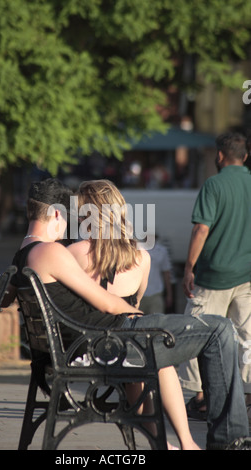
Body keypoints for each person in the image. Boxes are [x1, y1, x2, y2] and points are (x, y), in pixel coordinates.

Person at [0, 177, 250, 450]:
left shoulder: (37, 253)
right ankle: (224, 440)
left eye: (79, 215)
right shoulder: (53, 252)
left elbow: (20, 276)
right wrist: (138, 316)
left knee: (209, 332)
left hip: (104, 339)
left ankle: (188, 441)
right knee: (220, 329)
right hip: (113, 338)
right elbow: (108, 304)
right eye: (69, 216)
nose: (72, 223)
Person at [68, 179, 199, 450]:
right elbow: (134, 308)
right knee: (156, 356)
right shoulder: (143, 258)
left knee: (145, 356)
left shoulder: (74, 254)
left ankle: (163, 442)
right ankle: (185, 442)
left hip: (88, 348)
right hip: (128, 347)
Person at [179, 131, 251, 422]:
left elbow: (201, 229)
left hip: (213, 276)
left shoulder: (214, 184)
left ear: (219, 156)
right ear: (245, 156)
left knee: (194, 332)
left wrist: (188, 267)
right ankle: (247, 395)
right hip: (247, 276)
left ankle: (201, 397)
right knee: (248, 337)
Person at [140, 236, 173, 315]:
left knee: (155, 324)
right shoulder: (137, 249)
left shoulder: (162, 250)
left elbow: (166, 273)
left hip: (156, 293)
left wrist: (169, 294)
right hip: (139, 294)